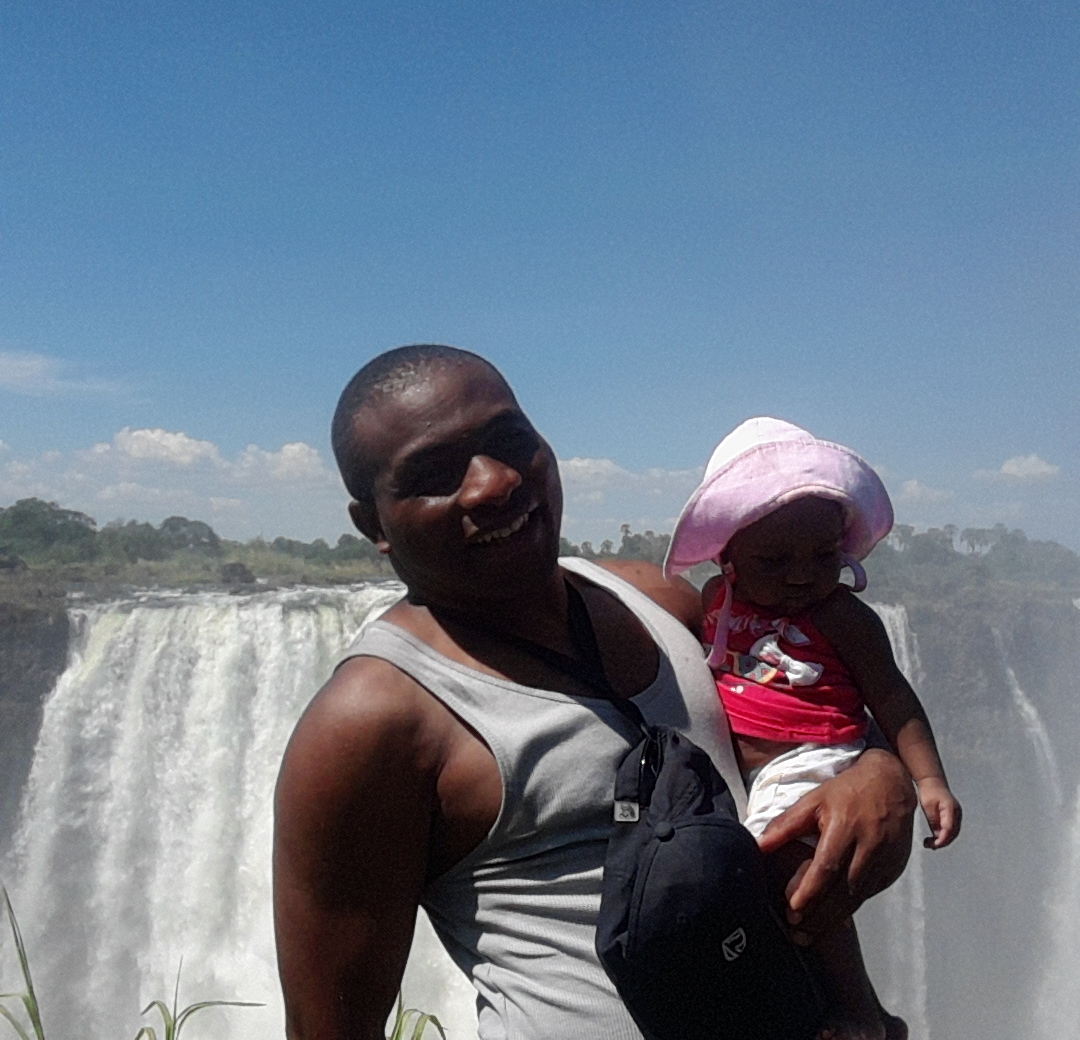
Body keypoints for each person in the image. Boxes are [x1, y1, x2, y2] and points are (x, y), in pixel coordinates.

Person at [273, 346, 917, 1040]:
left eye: (509, 440)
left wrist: (882, 770)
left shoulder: (662, 600)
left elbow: (809, 705)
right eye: (433, 474)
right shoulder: (372, 721)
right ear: (373, 524)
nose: (493, 483)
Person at [664, 416, 962, 1040]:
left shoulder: (842, 617)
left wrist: (929, 781)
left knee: (797, 883)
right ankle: (859, 1011)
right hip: (747, 776)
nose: (802, 575)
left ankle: (858, 1012)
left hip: (816, 759)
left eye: (824, 556)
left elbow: (893, 698)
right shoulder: (716, 599)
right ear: (728, 553)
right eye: (774, 560)